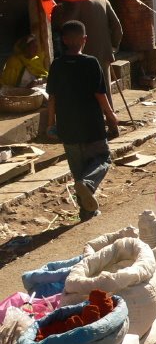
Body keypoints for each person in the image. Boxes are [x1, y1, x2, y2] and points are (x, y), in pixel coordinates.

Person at [46, 20, 117, 222]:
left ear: (64, 40)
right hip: (92, 126)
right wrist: (112, 118)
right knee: (103, 159)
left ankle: (86, 212)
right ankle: (88, 186)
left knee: (78, 171)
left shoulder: (57, 65)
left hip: (68, 128)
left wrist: (50, 125)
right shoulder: (91, 63)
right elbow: (100, 95)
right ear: (84, 40)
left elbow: (52, 98)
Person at [53, 0, 122, 110]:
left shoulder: (78, 0)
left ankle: (96, 123)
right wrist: (113, 47)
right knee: (105, 92)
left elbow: (66, 26)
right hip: (104, 53)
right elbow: (117, 28)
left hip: (84, 55)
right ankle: (111, 123)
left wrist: (58, 12)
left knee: (87, 93)